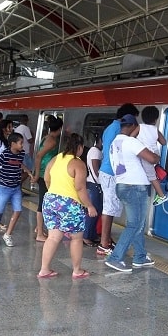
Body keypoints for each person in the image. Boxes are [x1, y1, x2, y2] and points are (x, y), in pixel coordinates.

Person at [104, 114, 160, 272]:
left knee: (137, 223)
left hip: (122, 185)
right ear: (134, 126)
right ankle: (115, 258)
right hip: (136, 187)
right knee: (135, 224)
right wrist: (156, 154)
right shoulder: (131, 142)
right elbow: (152, 159)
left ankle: (140, 256)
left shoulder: (114, 143)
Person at [38, 133, 98, 279]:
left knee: (53, 237)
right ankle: (77, 270)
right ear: (80, 147)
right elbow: (80, 188)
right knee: (76, 238)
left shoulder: (55, 159)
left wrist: (56, 194)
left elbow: (46, 179)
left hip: (50, 200)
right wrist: (89, 205)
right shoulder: (78, 163)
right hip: (69, 204)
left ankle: (44, 270)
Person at [97, 103, 138, 256]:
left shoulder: (111, 128)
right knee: (109, 208)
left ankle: (106, 240)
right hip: (111, 172)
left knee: (111, 208)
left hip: (109, 172)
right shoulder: (117, 130)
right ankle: (103, 244)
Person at [0, 132, 35, 247]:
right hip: (3, 188)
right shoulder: (5, 154)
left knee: (18, 210)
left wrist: (29, 172)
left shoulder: (21, 153)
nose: (23, 145)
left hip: (15, 188)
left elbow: (19, 164)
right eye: (21, 143)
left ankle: (8, 234)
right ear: (13, 144)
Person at [34, 115, 63, 242]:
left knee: (44, 201)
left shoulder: (46, 137)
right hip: (45, 174)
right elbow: (39, 156)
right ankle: (40, 233)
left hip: (44, 173)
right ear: (60, 129)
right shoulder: (52, 141)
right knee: (42, 203)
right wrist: (36, 174)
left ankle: (38, 228)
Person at [139, 105, 168, 205]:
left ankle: (161, 195)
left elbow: (130, 137)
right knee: (151, 173)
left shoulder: (140, 127)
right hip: (155, 153)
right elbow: (164, 142)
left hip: (147, 155)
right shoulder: (155, 129)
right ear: (156, 119)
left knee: (151, 176)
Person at [83, 136, 103, 246]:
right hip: (95, 185)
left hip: (93, 184)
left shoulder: (93, 150)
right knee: (93, 211)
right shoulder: (96, 151)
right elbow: (96, 171)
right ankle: (86, 237)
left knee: (97, 211)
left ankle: (92, 234)